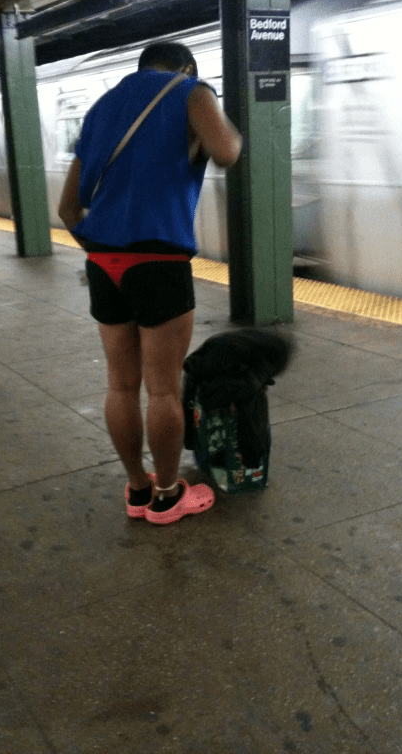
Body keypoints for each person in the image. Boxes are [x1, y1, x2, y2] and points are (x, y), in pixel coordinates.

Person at [58, 41, 242, 525]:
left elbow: (67, 209)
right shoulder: (191, 91)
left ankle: (138, 490)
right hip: (159, 259)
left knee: (120, 385)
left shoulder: (101, 107)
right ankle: (166, 496)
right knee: (162, 390)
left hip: (104, 261)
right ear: (186, 67)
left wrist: (103, 253)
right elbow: (226, 151)